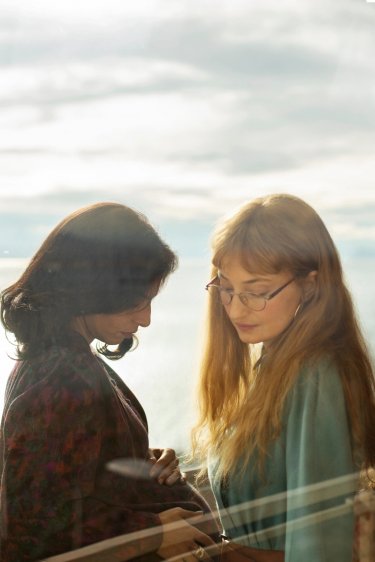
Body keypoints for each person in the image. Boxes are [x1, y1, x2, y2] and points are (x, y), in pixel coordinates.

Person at [0, 202, 220, 562]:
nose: (146, 319)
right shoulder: (60, 378)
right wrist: (153, 532)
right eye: (137, 302)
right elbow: (30, 526)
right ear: (92, 289)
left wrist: (136, 460)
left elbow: (68, 474)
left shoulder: (67, 359)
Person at [192, 193, 375, 562]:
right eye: (226, 289)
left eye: (257, 292)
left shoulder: (316, 374)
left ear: (311, 285)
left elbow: (320, 542)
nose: (236, 308)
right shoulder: (272, 363)